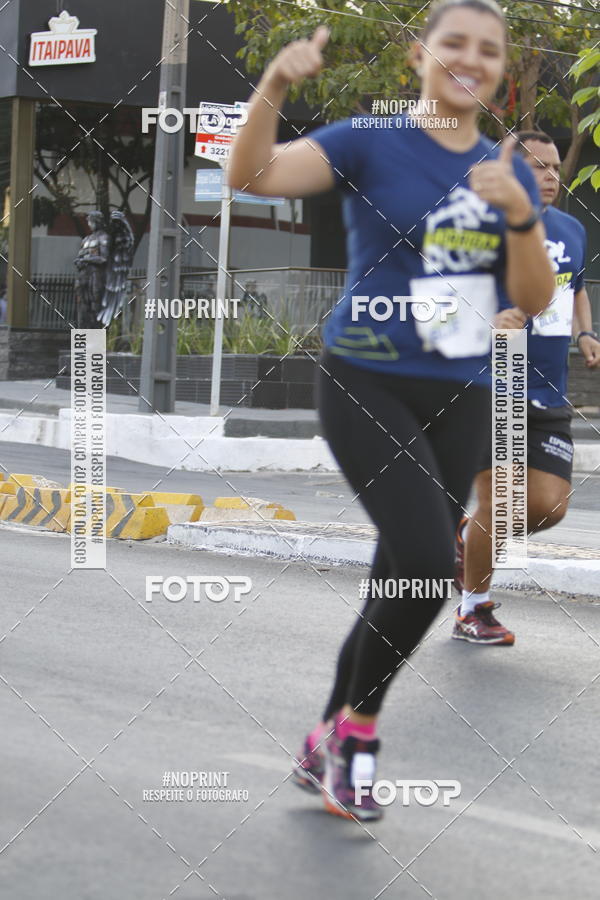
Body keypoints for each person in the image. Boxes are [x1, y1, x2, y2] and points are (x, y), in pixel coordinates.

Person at [229, 0, 554, 822]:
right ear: (420, 54)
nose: (470, 59)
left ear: (501, 69)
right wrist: (273, 82)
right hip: (364, 376)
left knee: (405, 573)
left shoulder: (506, 166)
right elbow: (251, 176)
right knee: (423, 556)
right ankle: (357, 735)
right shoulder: (367, 140)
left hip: (464, 389)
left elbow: (532, 294)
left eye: (489, 49)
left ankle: (324, 737)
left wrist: (518, 213)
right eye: (454, 43)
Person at [453, 129, 600, 645]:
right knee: (502, 499)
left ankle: (470, 541)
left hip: (550, 385)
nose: (551, 177)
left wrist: (585, 330)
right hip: (496, 376)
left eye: (556, 167)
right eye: (537, 166)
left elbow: (576, 288)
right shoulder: (481, 227)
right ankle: (474, 608)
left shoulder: (571, 230)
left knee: (549, 506)